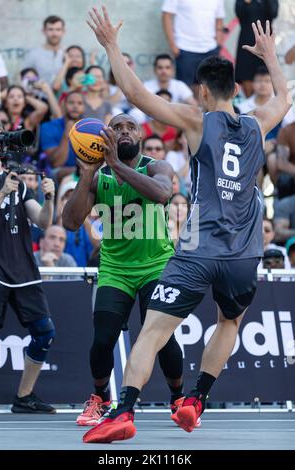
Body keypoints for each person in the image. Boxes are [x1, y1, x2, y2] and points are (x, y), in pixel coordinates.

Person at [83, 8, 290, 443]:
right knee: (229, 322)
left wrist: (111, 46)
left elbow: (137, 95)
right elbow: (284, 98)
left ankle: (123, 411)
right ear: (235, 89)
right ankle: (196, 399)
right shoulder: (258, 123)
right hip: (244, 251)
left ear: (200, 90)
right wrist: (271, 56)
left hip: (199, 247)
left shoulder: (198, 120)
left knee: (154, 329)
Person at [63, 113, 184, 427]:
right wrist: (87, 172)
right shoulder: (98, 177)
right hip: (115, 268)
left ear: (141, 138)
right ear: (108, 137)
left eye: (131, 127)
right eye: (117, 127)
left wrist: (116, 165)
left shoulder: (156, 166)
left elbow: (162, 194)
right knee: (103, 339)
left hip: (156, 264)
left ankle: (179, 397)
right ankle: (100, 398)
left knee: (162, 337)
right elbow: (71, 223)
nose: (125, 131)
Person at [0, 123, 56, 413]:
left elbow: (43, 222)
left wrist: (50, 198)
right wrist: (1, 192)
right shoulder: (9, 183)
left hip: (23, 270)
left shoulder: (17, 180)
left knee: (45, 332)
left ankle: (24, 396)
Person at [162, 0, 225, 94]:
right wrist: (173, 45)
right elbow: (166, 15)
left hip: (210, 49)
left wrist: (218, 45)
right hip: (185, 48)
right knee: (185, 92)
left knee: (210, 90)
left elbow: (219, 19)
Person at [235, 0, 278, 97]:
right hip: (247, 42)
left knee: (267, 76)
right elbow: (239, 13)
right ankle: (249, 108)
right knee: (246, 76)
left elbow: (273, 12)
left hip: (265, 44)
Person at [39, 91, 85, 180]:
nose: (75, 106)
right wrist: (66, 134)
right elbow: (56, 164)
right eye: (71, 102)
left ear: (84, 107)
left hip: (84, 171)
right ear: (63, 105)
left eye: (80, 103)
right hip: (57, 173)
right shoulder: (48, 127)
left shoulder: (90, 128)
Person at [23, 15, 66, 85]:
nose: (54, 34)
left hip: (65, 95)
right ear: (44, 31)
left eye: (58, 29)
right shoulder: (33, 54)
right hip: (40, 95)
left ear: (63, 31)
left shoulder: (69, 54)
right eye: (50, 29)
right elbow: (22, 77)